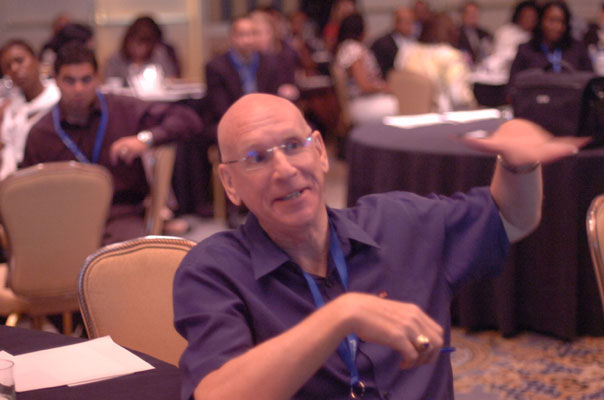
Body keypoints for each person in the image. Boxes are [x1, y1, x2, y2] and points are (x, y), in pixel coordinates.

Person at [173, 92, 586, 400]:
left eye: (294, 146)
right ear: (230, 183)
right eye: (257, 158)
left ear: (320, 153)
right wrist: (341, 316)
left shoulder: (400, 225)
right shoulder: (215, 270)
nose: (284, 169)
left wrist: (518, 165)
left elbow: (512, 218)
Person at [22, 43, 202, 245]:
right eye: (70, 81)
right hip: (66, 218)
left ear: (97, 78)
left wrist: (145, 139)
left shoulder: (123, 109)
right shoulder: (42, 133)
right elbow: (28, 193)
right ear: (56, 80)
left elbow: (188, 120)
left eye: (86, 80)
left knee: (127, 257)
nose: (79, 89)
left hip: (121, 214)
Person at [0, 39, 60, 180]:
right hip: (11, 180)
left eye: (19, 61)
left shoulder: (58, 99)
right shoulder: (11, 107)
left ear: (36, 59)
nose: (14, 69)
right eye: (8, 66)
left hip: (49, 176)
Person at [395, 12, 476, 112]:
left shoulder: (407, 52)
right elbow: (459, 97)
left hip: (406, 113)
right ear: (451, 32)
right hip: (439, 115)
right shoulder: (450, 56)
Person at [509, 0, 592, 86]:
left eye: (562, 22)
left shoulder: (577, 49)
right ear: (540, 21)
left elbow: (590, 82)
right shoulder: (526, 50)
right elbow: (512, 86)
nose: (558, 27)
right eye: (552, 21)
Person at [334, 13, 398, 124]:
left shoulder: (344, 47)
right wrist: (385, 88)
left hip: (359, 100)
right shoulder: (353, 49)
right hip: (360, 101)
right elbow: (364, 86)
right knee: (396, 104)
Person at [472, 1, 539, 86]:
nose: (528, 20)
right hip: (500, 74)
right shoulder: (505, 32)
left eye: (532, 18)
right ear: (519, 16)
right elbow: (498, 55)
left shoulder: (538, 37)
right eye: (526, 17)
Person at [104, 15, 181, 85]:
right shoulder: (116, 59)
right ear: (127, 41)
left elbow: (172, 79)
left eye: (145, 45)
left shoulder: (159, 55)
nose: (140, 49)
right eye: (135, 43)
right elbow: (109, 83)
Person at [370, 7, 416, 79]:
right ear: (396, 23)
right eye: (407, 22)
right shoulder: (381, 44)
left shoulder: (415, 41)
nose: (411, 26)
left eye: (412, 22)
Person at [457, 1, 493, 66]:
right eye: (469, 13)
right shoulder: (456, 34)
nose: (472, 15)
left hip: (484, 67)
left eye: (475, 12)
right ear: (462, 14)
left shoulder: (485, 34)